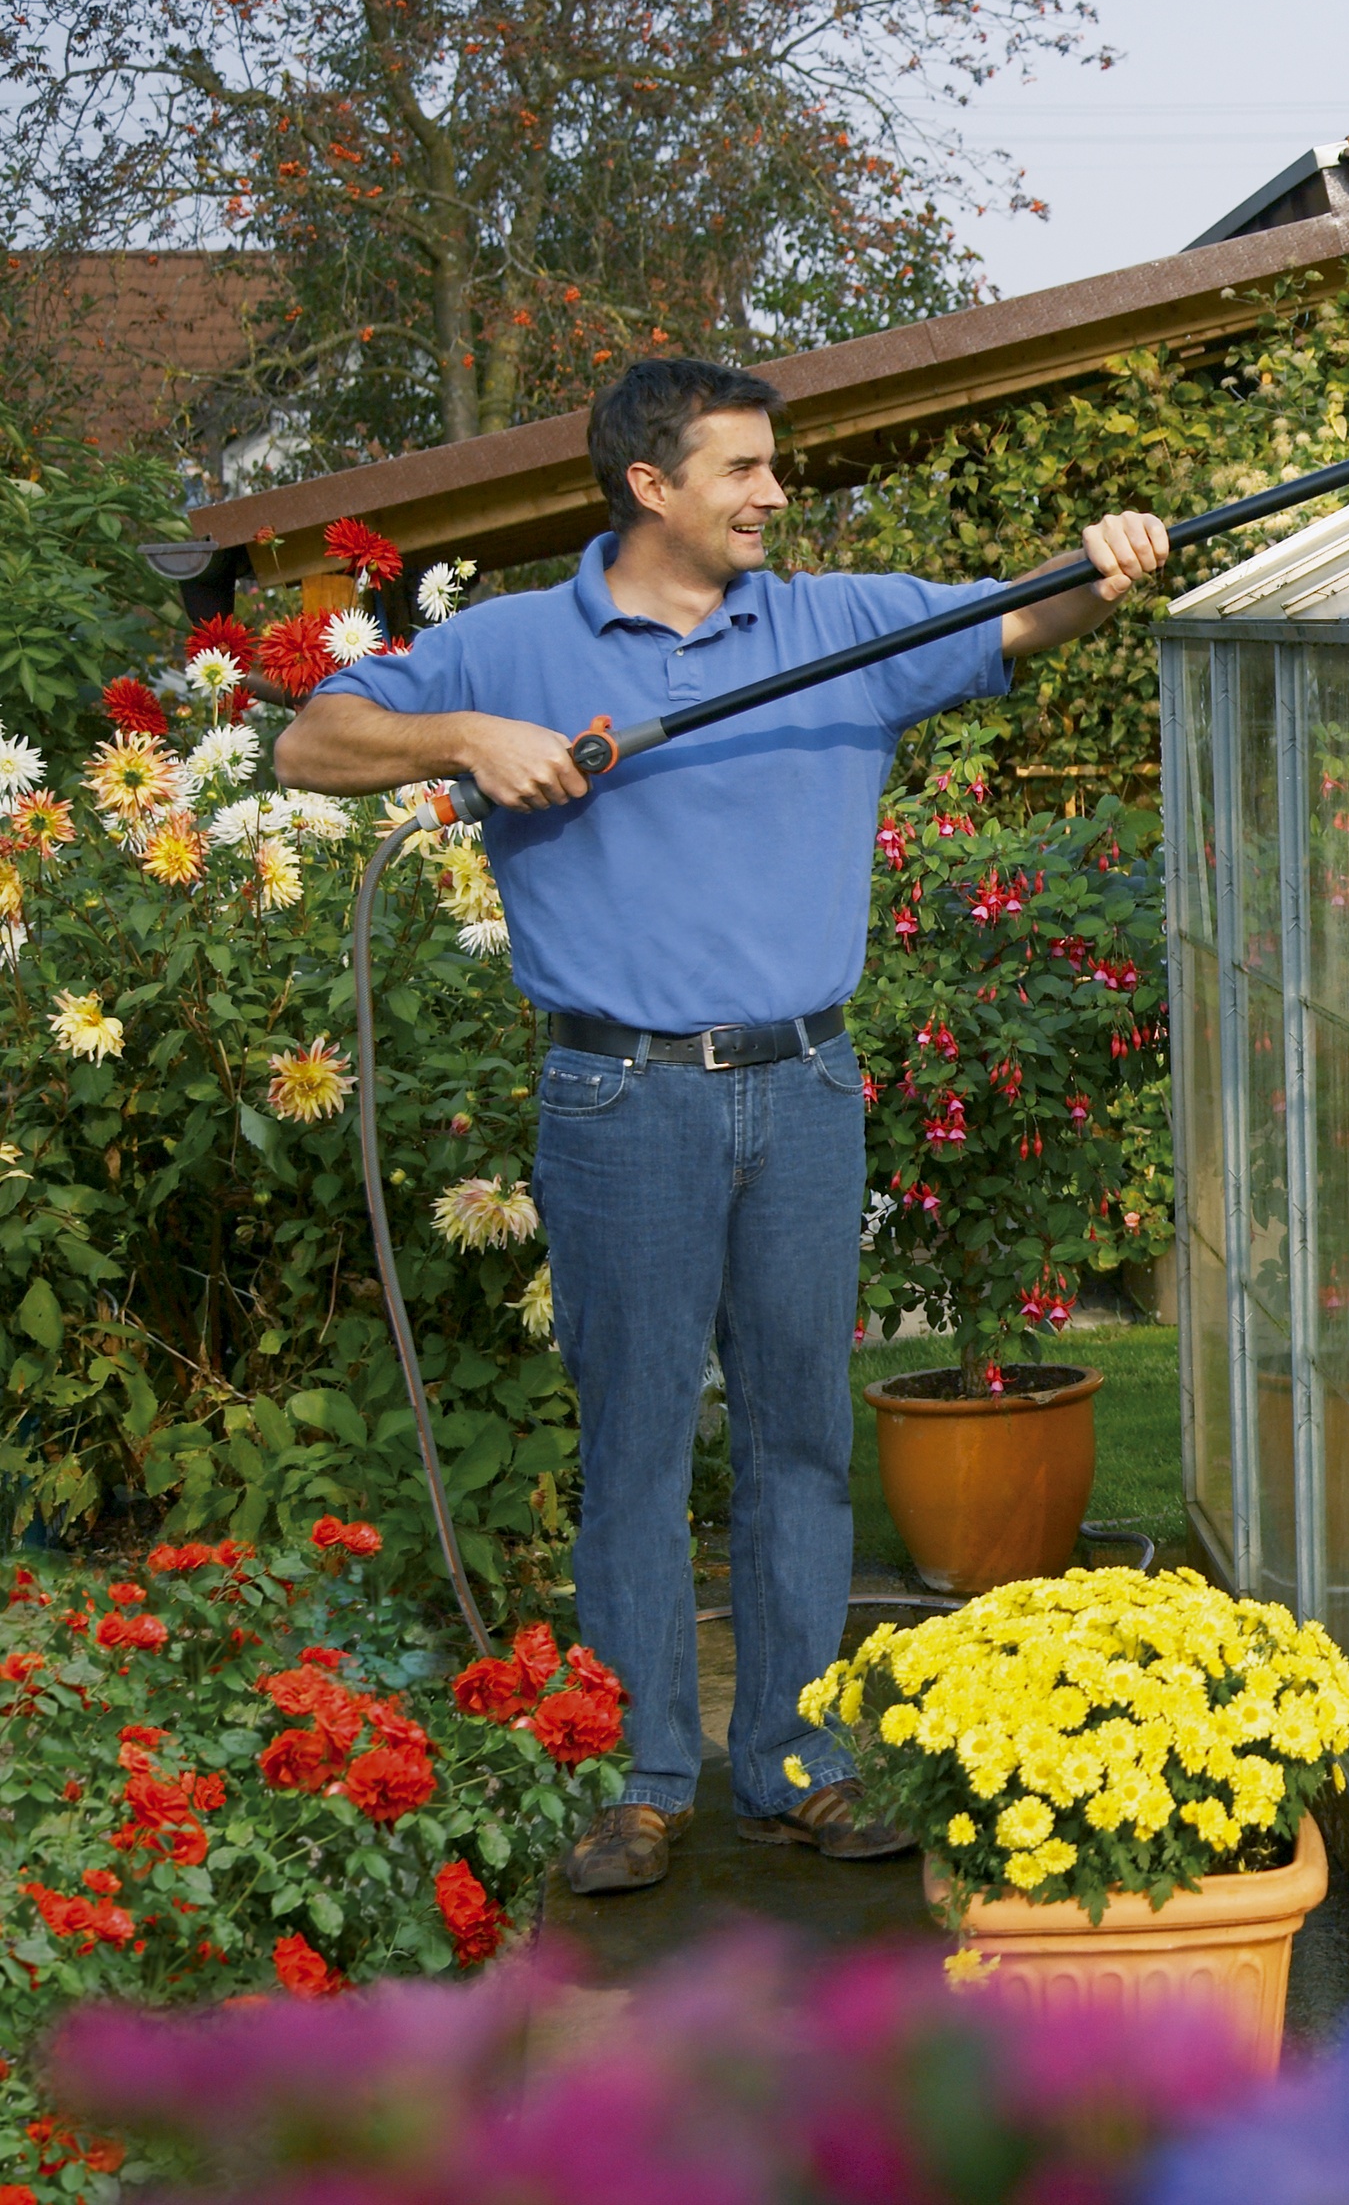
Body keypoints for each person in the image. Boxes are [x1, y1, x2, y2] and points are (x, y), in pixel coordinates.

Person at [275, 357, 1173, 1894]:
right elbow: (309, 743)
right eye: (743, 469)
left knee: (802, 1436)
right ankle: (637, 1775)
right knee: (633, 1439)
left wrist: (1110, 559)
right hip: (620, 1093)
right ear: (648, 484)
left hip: (807, 1086)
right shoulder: (515, 643)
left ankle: (795, 1760)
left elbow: (1022, 615)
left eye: (775, 467)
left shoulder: (839, 626)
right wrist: (467, 740)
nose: (773, 492)